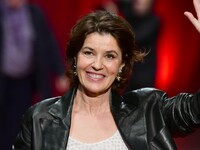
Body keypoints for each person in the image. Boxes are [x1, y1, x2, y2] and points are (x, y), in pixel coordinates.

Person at [13, 0, 200, 149]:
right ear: (75, 58)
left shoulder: (149, 110)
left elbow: (195, 111)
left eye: (109, 56)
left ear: (122, 64)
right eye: (89, 52)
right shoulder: (39, 119)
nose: (97, 65)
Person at [0, 0, 68, 149]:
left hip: (25, 81)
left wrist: (60, 71)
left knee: (19, 123)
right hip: (3, 79)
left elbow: (49, 42)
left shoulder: (35, 13)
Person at [119, 0, 161, 92]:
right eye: (137, 3)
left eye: (143, 3)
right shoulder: (130, 16)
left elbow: (136, 38)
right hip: (130, 71)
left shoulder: (154, 20)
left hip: (145, 72)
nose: (139, 5)